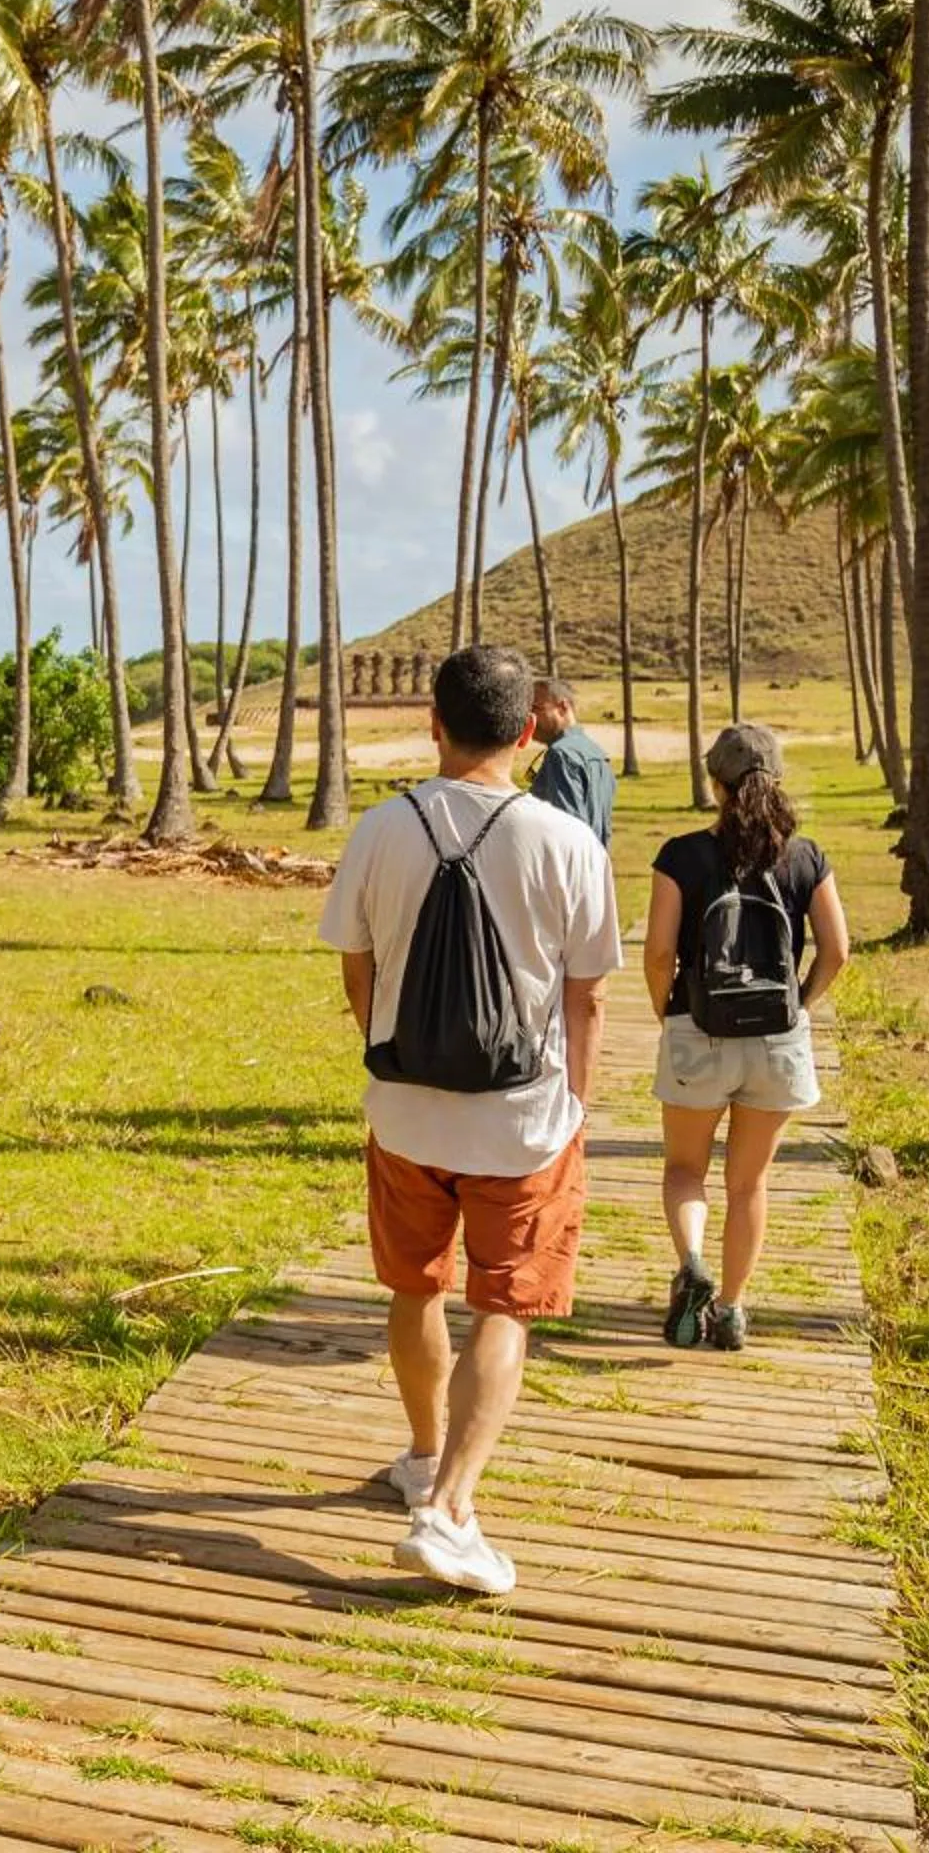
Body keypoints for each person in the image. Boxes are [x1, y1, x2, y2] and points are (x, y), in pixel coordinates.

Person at [318, 645, 620, 1596]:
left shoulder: (380, 828)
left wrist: (392, 1046)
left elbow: (356, 970)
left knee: (415, 1288)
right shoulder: (568, 842)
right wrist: (578, 1102)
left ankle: (419, 1453)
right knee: (504, 1304)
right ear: (528, 732)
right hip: (523, 1120)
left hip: (406, 1112)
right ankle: (448, 1508)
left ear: (433, 725)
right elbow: (588, 998)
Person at [645, 723, 850, 1353]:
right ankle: (732, 1307)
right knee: (749, 1183)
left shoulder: (680, 855)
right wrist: (798, 1006)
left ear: (716, 784)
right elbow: (838, 951)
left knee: (685, 1169)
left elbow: (658, 953)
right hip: (778, 1040)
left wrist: (668, 1011)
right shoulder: (806, 856)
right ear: (776, 781)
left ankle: (694, 1263)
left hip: (697, 1030)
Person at [527, 676, 617, 847]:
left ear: (563, 707)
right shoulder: (597, 753)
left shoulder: (560, 754)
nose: (529, 718)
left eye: (535, 709)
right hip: (595, 865)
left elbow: (567, 828)